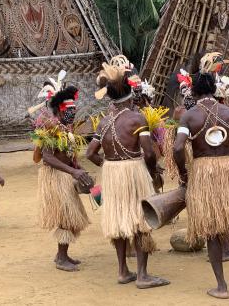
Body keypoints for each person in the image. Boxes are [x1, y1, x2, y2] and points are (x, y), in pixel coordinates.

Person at [173, 53, 229, 299]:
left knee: (212, 228)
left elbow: (178, 148)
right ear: (214, 88)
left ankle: (221, 287)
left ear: (195, 92)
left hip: (203, 171)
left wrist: (183, 172)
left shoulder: (188, 117)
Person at [86, 56, 169, 288]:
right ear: (131, 96)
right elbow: (149, 153)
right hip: (133, 170)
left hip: (112, 173)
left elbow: (90, 153)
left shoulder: (103, 123)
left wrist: (108, 165)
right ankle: (142, 275)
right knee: (140, 220)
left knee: (119, 219)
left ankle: (123, 271)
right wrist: (151, 171)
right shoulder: (136, 118)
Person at [31, 81, 92, 272]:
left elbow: (66, 154)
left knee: (71, 216)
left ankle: (61, 255)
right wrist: (73, 171)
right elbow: (48, 157)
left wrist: (78, 168)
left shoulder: (67, 128)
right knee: (65, 216)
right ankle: (61, 258)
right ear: (59, 108)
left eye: (74, 109)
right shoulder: (51, 127)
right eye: (69, 109)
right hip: (56, 177)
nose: (73, 112)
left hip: (66, 174)